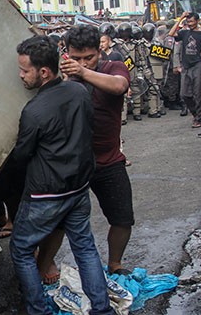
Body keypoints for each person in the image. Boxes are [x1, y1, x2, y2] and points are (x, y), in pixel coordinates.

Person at [8, 35, 119, 315]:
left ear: (43, 72)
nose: (20, 76)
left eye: (24, 70)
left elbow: (21, 155)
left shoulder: (34, 111)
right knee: (85, 249)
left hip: (46, 193)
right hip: (78, 187)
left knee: (20, 249)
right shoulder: (79, 92)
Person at [36, 25, 134, 285]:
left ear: (99, 51)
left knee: (123, 218)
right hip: (70, 164)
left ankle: (115, 263)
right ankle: (43, 264)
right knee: (56, 222)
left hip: (108, 159)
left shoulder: (113, 67)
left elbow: (119, 86)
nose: (81, 63)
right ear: (65, 52)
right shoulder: (60, 75)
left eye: (88, 57)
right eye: (75, 58)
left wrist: (84, 72)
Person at [170, 12, 201, 128]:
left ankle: (198, 118)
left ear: (197, 21)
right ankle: (195, 113)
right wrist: (181, 18)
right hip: (186, 66)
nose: (190, 24)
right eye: (188, 22)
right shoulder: (184, 32)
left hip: (198, 65)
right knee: (184, 94)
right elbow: (171, 33)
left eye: (192, 21)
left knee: (198, 93)